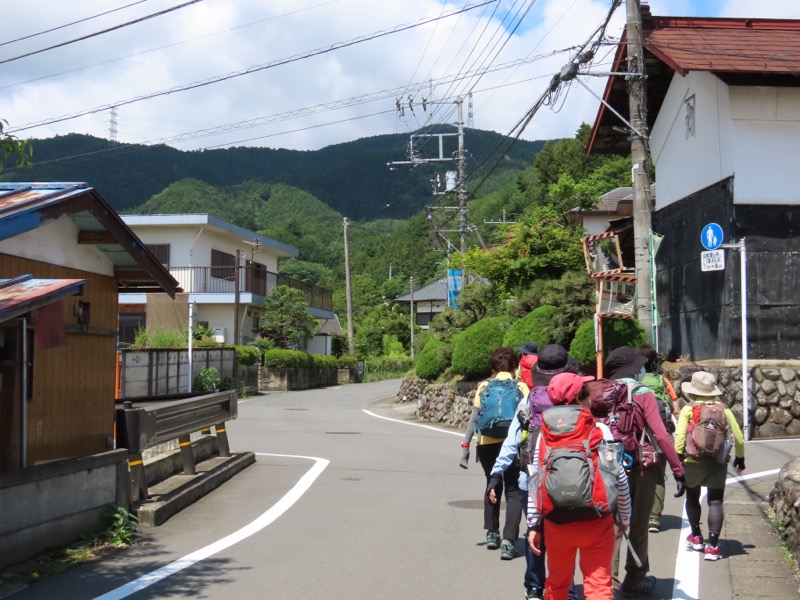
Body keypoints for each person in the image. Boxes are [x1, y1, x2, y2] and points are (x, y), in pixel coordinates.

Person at [526, 372, 632, 600]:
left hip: (557, 522)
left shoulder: (544, 433)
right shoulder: (599, 430)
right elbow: (619, 477)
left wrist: (534, 524)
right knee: (598, 586)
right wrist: (625, 517)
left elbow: (536, 479)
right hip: (596, 519)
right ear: (581, 398)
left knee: (557, 584)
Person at [487, 344, 581, 599]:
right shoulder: (579, 399)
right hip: (572, 479)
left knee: (534, 531)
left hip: (533, 478)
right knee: (563, 536)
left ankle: (534, 586)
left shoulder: (531, 400)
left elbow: (512, 440)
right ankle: (567, 589)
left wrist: (496, 474)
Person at [602, 346, 685, 598]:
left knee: (612, 525)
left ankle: (608, 582)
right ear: (633, 369)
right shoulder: (643, 393)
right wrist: (678, 469)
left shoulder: (599, 392)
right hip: (640, 466)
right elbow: (660, 434)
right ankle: (635, 578)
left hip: (607, 466)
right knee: (637, 523)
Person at [460, 347, 529, 559]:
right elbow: (529, 417)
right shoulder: (522, 387)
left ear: (492, 368)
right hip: (514, 444)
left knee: (492, 483)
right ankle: (509, 541)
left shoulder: (484, 386)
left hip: (487, 443)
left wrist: (465, 446)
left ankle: (492, 533)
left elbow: (474, 418)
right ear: (515, 367)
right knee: (514, 490)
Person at [674, 371, 745, 561]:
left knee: (693, 496)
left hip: (693, 461)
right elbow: (738, 437)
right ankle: (713, 546)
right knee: (715, 502)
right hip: (717, 462)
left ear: (693, 391)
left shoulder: (689, 410)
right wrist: (740, 458)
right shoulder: (724, 409)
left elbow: (680, 436)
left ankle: (696, 537)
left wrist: (678, 457)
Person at [635, 344, 681, 533]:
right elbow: (675, 409)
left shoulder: (634, 381)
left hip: (638, 439)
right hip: (661, 436)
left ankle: (637, 516)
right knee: (659, 478)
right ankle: (654, 519)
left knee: (637, 477)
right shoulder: (663, 381)